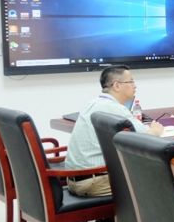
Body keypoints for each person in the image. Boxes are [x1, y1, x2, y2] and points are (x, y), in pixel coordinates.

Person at [66, 65, 163, 197]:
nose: (135, 86)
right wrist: (156, 131)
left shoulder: (93, 103)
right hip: (96, 182)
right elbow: (144, 139)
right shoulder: (115, 109)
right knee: (162, 182)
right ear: (117, 85)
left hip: (76, 180)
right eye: (131, 81)